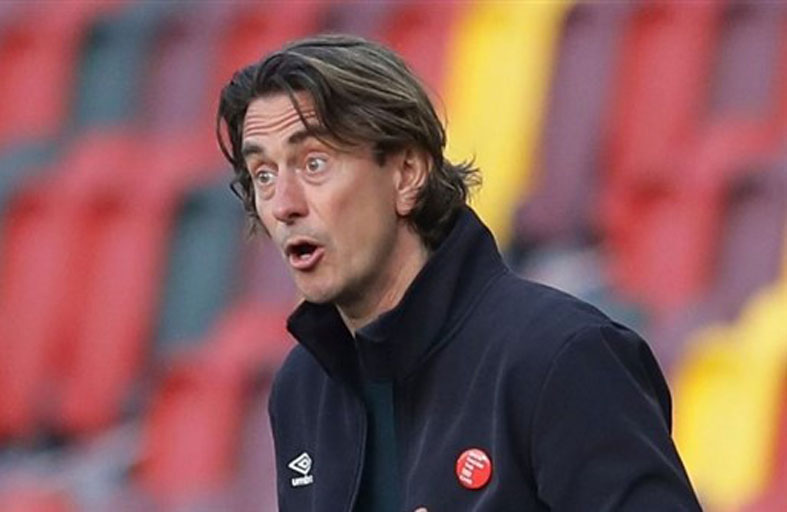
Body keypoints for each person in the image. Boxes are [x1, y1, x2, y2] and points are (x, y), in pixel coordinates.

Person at [217, 34, 702, 512]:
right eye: (264, 175)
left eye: (314, 163)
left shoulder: (560, 356)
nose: (283, 205)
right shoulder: (302, 387)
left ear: (408, 173)